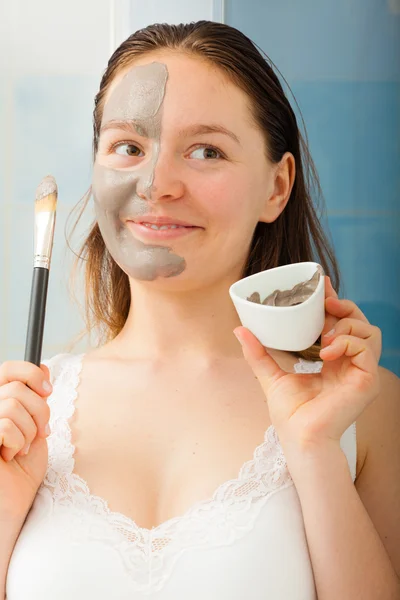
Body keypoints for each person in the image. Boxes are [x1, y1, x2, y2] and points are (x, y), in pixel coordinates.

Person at [1, 21, 399, 600]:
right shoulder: (24, 418)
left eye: (206, 150)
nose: (157, 183)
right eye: (128, 148)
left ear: (277, 187)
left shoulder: (365, 409)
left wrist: (315, 452)